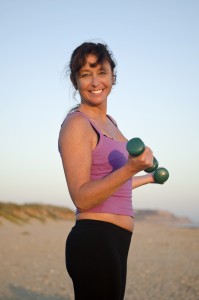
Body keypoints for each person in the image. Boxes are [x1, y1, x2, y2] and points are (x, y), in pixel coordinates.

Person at [58, 42, 155, 300]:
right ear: (75, 81)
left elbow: (113, 185)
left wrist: (148, 177)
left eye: (101, 72)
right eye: (85, 74)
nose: (94, 81)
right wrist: (130, 168)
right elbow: (82, 197)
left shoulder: (110, 122)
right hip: (95, 240)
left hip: (116, 241)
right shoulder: (77, 124)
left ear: (113, 76)